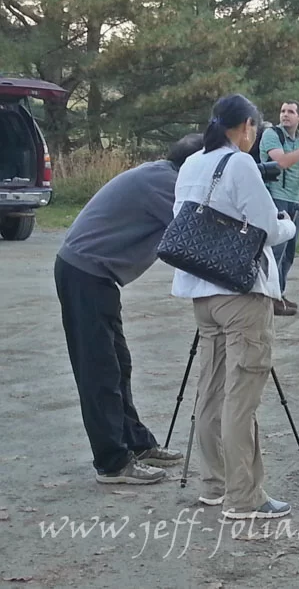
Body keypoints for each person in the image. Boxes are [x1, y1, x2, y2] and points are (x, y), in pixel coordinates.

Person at [169, 94, 299, 520]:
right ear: (247, 127)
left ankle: (213, 484)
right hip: (241, 291)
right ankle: (245, 496)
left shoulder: (192, 163)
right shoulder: (240, 164)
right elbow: (267, 228)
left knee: (210, 389)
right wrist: (289, 224)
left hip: (201, 292)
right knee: (242, 394)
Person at [54, 133, 204, 485]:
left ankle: (136, 443)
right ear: (195, 167)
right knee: (99, 372)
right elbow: (194, 233)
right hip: (85, 274)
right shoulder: (166, 184)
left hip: (95, 276)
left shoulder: (164, 174)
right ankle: (113, 463)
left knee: (118, 364)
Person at [258, 100, 299, 316]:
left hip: (295, 199)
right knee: (274, 251)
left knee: (289, 252)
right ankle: (268, 298)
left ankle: (279, 293)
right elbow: (281, 162)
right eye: (283, 110)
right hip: (274, 197)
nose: (285, 115)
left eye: (291, 112)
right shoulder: (271, 135)